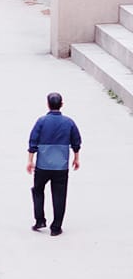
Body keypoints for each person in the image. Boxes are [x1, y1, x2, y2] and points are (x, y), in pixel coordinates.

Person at [28, 92, 81, 236]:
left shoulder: (41, 121)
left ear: (48, 104)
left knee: (38, 190)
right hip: (61, 166)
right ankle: (56, 227)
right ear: (61, 104)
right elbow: (76, 142)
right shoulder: (69, 122)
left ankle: (40, 220)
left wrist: (30, 160)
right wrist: (76, 158)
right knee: (59, 195)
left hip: (42, 165)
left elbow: (33, 142)